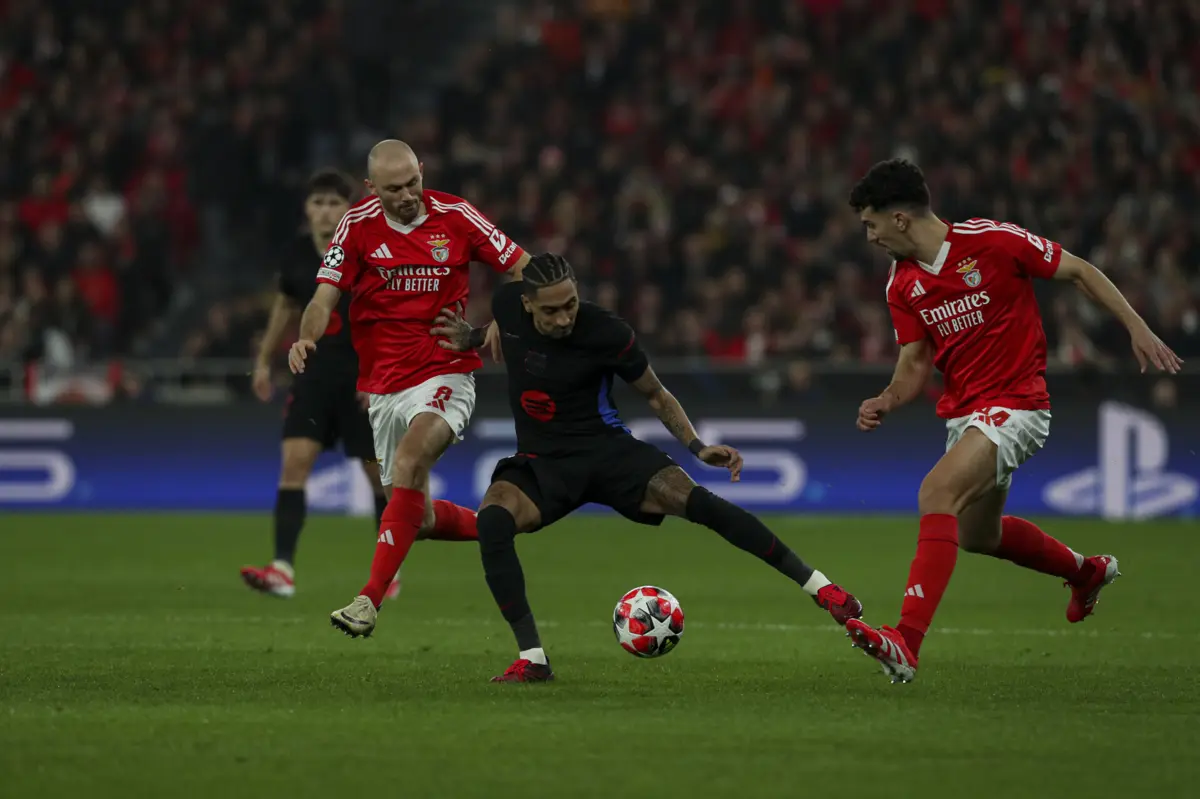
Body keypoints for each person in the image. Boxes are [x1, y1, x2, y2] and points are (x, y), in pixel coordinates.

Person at [431, 252, 862, 683]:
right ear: (526, 303)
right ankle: (534, 659)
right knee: (492, 520)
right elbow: (498, 331)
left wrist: (696, 446)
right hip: (544, 461)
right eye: (551, 310)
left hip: (609, 452)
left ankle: (823, 589)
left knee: (702, 504)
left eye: (571, 305)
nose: (564, 319)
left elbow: (656, 394)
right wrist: (470, 337)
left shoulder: (607, 332)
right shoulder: (508, 304)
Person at [845, 159, 1182, 683]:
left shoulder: (992, 240)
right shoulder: (902, 284)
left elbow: (1079, 271)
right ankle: (1085, 571)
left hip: (1019, 405)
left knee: (936, 494)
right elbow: (914, 362)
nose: (869, 237)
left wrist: (1137, 327)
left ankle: (905, 642)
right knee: (980, 535)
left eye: (871, 224)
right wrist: (888, 398)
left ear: (901, 218)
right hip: (965, 415)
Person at [289, 140, 530, 638]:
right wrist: (306, 337)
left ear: (422, 171)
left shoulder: (457, 215)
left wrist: (499, 323)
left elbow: (528, 268)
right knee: (414, 516)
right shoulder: (356, 227)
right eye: (394, 189)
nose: (407, 195)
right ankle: (504, 521)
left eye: (413, 183)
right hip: (383, 388)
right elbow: (323, 297)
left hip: (446, 373)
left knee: (410, 461)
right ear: (371, 188)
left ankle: (367, 601)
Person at [240, 169, 399, 599]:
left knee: (377, 479)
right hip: (312, 375)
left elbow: (388, 316)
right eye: (318, 203)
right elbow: (285, 307)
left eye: (334, 203)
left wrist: (383, 374)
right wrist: (261, 361)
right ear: (307, 209)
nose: (325, 211)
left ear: (349, 209)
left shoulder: (368, 251)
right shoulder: (295, 253)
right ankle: (282, 569)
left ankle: (385, 575)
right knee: (293, 465)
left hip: (362, 380)